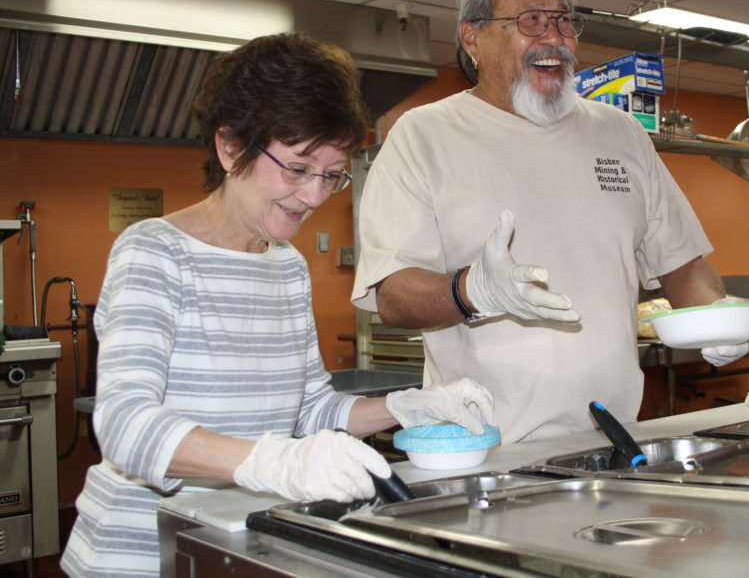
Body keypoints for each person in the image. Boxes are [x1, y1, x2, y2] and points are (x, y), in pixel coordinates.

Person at [61, 33, 496, 577]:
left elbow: (313, 410)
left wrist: (411, 407)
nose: (314, 196)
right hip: (140, 555)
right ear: (229, 148)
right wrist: (274, 460)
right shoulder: (155, 251)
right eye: (296, 168)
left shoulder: (286, 266)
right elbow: (126, 427)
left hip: (235, 546)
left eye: (331, 174)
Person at [352, 0, 749, 444]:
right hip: (484, 446)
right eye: (530, 20)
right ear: (473, 37)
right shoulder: (422, 135)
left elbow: (681, 264)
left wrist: (719, 319)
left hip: (614, 439)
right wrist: (474, 290)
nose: (554, 38)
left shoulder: (620, 133)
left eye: (565, 21)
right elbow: (393, 296)